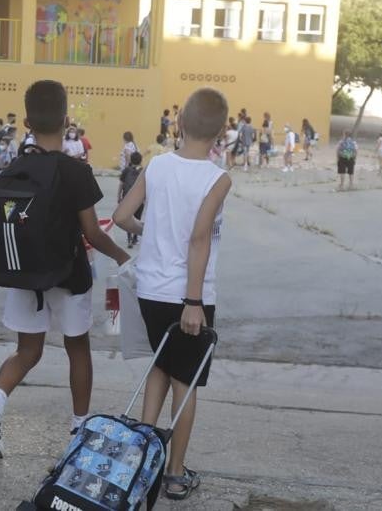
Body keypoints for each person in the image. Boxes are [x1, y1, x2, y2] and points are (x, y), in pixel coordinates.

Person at [0, 81, 130, 460]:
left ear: (26, 122)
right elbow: (91, 231)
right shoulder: (75, 171)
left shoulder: (14, 170)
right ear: (66, 118)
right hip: (69, 274)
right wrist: (123, 256)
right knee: (78, 349)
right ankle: (79, 428)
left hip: (25, 274)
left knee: (27, 351)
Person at [112, 87, 231, 502]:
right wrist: (194, 302)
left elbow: (123, 216)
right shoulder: (217, 178)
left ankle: (143, 461)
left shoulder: (158, 166)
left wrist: (154, 233)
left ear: (178, 122)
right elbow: (199, 240)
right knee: (186, 384)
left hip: (150, 290)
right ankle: (175, 473)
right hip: (189, 296)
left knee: (160, 369)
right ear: (220, 133)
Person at [118, 151, 144, 248]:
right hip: (140, 200)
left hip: (127, 198)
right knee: (137, 219)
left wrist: (119, 196)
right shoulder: (143, 171)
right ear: (141, 160)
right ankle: (135, 238)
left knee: (128, 218)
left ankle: (129, 239)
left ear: (131, 160)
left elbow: (121, 184)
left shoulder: (126, 170)